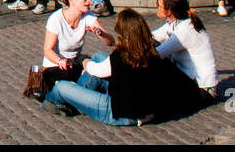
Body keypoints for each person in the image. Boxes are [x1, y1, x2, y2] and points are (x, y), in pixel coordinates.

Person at [43, 9, 211, 125]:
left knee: (63, 87)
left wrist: (83, 61)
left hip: (121, 113)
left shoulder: (121, 56)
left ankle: (52, 101)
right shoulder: (154, 52)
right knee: (99, 57)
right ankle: (79, 98)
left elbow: (95, 70)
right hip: (146, 109)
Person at [34, 0, 114, 97]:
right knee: (91, 72)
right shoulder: (56, 19)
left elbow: (110, 42)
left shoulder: (88, 16)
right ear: (71, 0)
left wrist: (100, 33)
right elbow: (47, 50)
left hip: (75, 62)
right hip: (57, 66)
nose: (89, 1)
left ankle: (115, 94)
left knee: (99, 63)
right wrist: (60, 61)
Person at [152, 0, 218, 96]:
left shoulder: (185, 30)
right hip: (191, 81)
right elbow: (153, 36)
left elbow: (157, 54)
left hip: (202, 91)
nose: (156, 7)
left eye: (158, 4)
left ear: (169, 11)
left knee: (156, 63)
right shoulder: (176, 22)